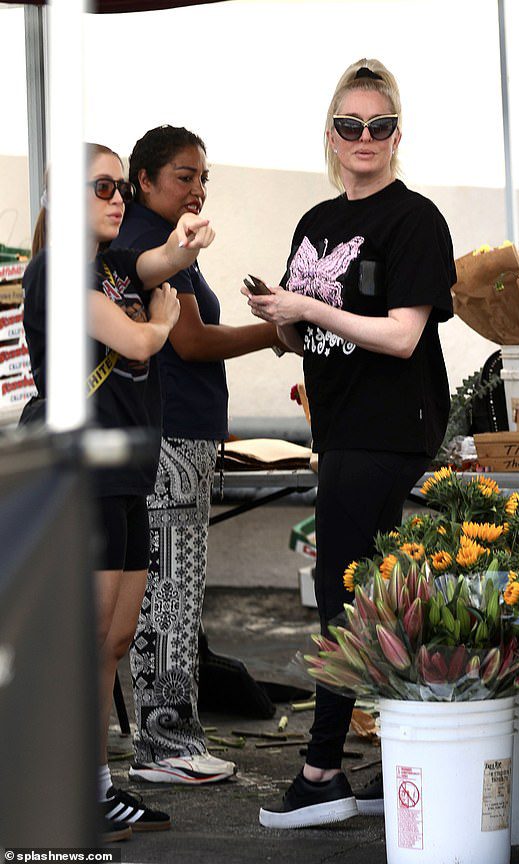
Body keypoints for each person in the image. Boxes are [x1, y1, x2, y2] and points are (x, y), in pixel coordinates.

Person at [243, 59, 456, 829]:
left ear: (397, 136)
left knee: (342, 596)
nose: (364, 138)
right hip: (340, 429)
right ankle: (395, 756)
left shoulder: (415, 218)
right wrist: (283, 316)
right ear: (330, 136)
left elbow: (403, 336)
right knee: (378, 599)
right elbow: (310, 336)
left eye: (379, 125)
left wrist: (307, 305)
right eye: (349, 125)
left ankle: (321, 769)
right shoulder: (315, 221)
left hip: (388, 430)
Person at [21, 143, 215, 840]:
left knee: (115, 637)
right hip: (84, 474)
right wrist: (162, 323)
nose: (116, 199)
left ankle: (96, 786)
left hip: (127, 475)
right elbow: (136, 342)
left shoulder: (111, 266)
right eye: (101, 186)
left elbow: (161, 263)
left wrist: (185, 241)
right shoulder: (55, 272)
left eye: (119, 189)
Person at [112, 125, 280, 786]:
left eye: (204, 176)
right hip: (167, 439)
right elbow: (191, 344)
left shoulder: (169, 243)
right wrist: (277, 330)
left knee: (175, 596)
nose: (198, 188)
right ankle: (167, 746)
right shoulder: (150, 246)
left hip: (183, 435)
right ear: (144, 180)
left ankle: (171, 738)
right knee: (168, 597)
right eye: (185, 175)